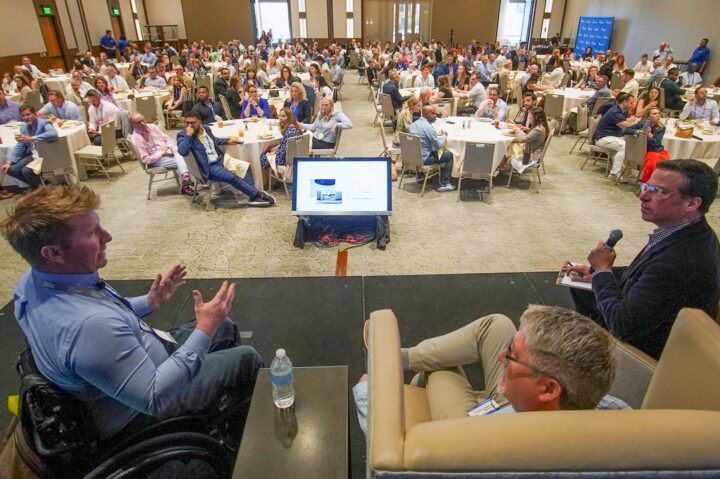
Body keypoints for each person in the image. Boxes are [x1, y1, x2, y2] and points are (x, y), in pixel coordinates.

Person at [0, 184, 264, 442]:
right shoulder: (89, 327)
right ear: (53, 253)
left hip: (133, 363)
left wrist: (149, 302)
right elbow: (154, 397)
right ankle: (246, 443)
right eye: (93, 233)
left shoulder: (34, 283)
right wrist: (204, 329)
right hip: (142, 411)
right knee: (246, 359)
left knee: (225, 326)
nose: (107, 237)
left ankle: (227, 405)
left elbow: (108, 314)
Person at [354, 305, 620, 434]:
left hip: (470, 428)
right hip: (517, 407)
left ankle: (392, 362)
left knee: (438, 367)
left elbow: (390, 463)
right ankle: (406, 359)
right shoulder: (616, 413)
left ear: (548, 388)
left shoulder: (484, 447)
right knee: (496, 324)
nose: (502, 356)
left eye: (513, 356)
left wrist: (368, 390)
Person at [565, 159, 720, 359]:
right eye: (647, 186)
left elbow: (622, 326)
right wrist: (598, 273)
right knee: (579, 288)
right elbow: (646, 274)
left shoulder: (680, 261)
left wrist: (603, 271)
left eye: (660, 191)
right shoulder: (691, 232)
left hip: (649, 352)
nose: (643, 196)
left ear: (692, 203)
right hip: (647, 318)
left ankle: (591, 359)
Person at [177, 112, 275, 206]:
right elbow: (183, 152)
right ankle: (256, 194)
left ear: (200, 122)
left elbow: (214, 140)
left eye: (192, 123)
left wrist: (227, 140)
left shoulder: (206, 129)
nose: (189, 125)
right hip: (209, 166)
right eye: (187, 123)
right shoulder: (183, 135)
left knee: (245, 166)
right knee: (231, 177)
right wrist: (188, 135)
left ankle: (252, 195)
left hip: (220, 159)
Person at [130, 113, 192, 195]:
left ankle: (185, 179)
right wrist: (163, 154)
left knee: (180, 150)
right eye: (138, 122)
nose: (142, 123)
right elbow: (146, 159)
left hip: (168, 151)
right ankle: (187, 180)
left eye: (143, 120)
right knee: (186, 159)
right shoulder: (137, 138)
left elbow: (167, 139)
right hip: (156, 160)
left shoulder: (152, 127)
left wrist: (169, 148)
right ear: (133, 125)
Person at [1, 105, 57, 189]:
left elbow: (53, 133)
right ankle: (40, 187)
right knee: (11, 170)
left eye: (28, 114)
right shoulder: (24, 127)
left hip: (44, 154)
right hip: (33, 155)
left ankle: (38, 190)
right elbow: (21, 145)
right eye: (23, 116)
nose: (26, 118)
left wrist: (32, 138)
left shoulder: (44, 123)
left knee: (26, 171)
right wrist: (10, 162)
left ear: (35, 114)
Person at [408, 105, 455, 192]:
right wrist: (444, 136)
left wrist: (436, 135)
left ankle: (421, 175)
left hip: (412, 157)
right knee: (449, 155)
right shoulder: (429, 127)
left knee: (428, 149)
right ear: (426, 114)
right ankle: (445, 183)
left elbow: (422, 137)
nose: (435, 115)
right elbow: (438, 146)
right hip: (425, 159)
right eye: (433, 113)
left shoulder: (413, 125)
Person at [592, 93, 638, 180]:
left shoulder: (620, 110)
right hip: (602, 138)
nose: (632, 105)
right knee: (625, 146)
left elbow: (624, 121)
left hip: (611, 136)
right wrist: (639, 124)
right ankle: (614, 174)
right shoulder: (615, 112)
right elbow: (624, 125)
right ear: (624, 102)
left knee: (631, 142)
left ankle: (625, 170)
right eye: (631, 103)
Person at [259, 107, 303, 184]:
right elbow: (286, 144)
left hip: (286, 161)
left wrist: (273, 153)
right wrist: (277, 147)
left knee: (261, 157)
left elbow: (285, 150)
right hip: (294, 157)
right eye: (279, 116)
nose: (280, 118)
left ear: (289, 117)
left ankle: (266, 182)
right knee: (271, 149)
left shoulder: (290, 131)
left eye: (283, 116)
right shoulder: (294, 127)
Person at [508, 107, 548, 173]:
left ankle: (499, 167)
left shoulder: (538, 129)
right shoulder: (541, 127)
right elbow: (534, 135)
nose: (529, 118)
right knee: (513, 145)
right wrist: (528, 129)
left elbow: (522, 140)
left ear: (536, 118)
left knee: (510, 147)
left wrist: (517, 130)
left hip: (531, 157)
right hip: (532, 151)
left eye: (531, 117)